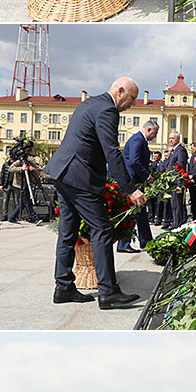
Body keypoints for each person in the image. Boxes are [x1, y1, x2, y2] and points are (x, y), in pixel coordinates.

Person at [45, 77, 147, 311]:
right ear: (120, 91)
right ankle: (109, 292)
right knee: (101, 229)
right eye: (132, 98)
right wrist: (130, 189)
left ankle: (63, 287)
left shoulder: (89, 103)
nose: (132, 104)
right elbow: (111, 151)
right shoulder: (108, 110)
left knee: (68, 232)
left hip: (63, 172)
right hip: (80, 177)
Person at [116, 117, 160, 253]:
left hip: (136, 181)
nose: (155, 137)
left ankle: (146, 241)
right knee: (132, 212)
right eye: (155, 133)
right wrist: (147, 176)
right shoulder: (137, 140)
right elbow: (135, 162)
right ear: (148, 130)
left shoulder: (140, 140)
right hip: (132, 182)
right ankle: (124, 244)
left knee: (140, 211)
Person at [162, 130, 188, 227]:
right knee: (172, 206)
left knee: (177, 206)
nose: (170, 140)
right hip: (170, 183)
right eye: (169, 138)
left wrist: (179, 184)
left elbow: (180, 168)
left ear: (178, 139)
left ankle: (177, 226)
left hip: (175, 183)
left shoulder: (181, 150)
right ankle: (174, 224)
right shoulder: (173, 151)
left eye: (172, 138)